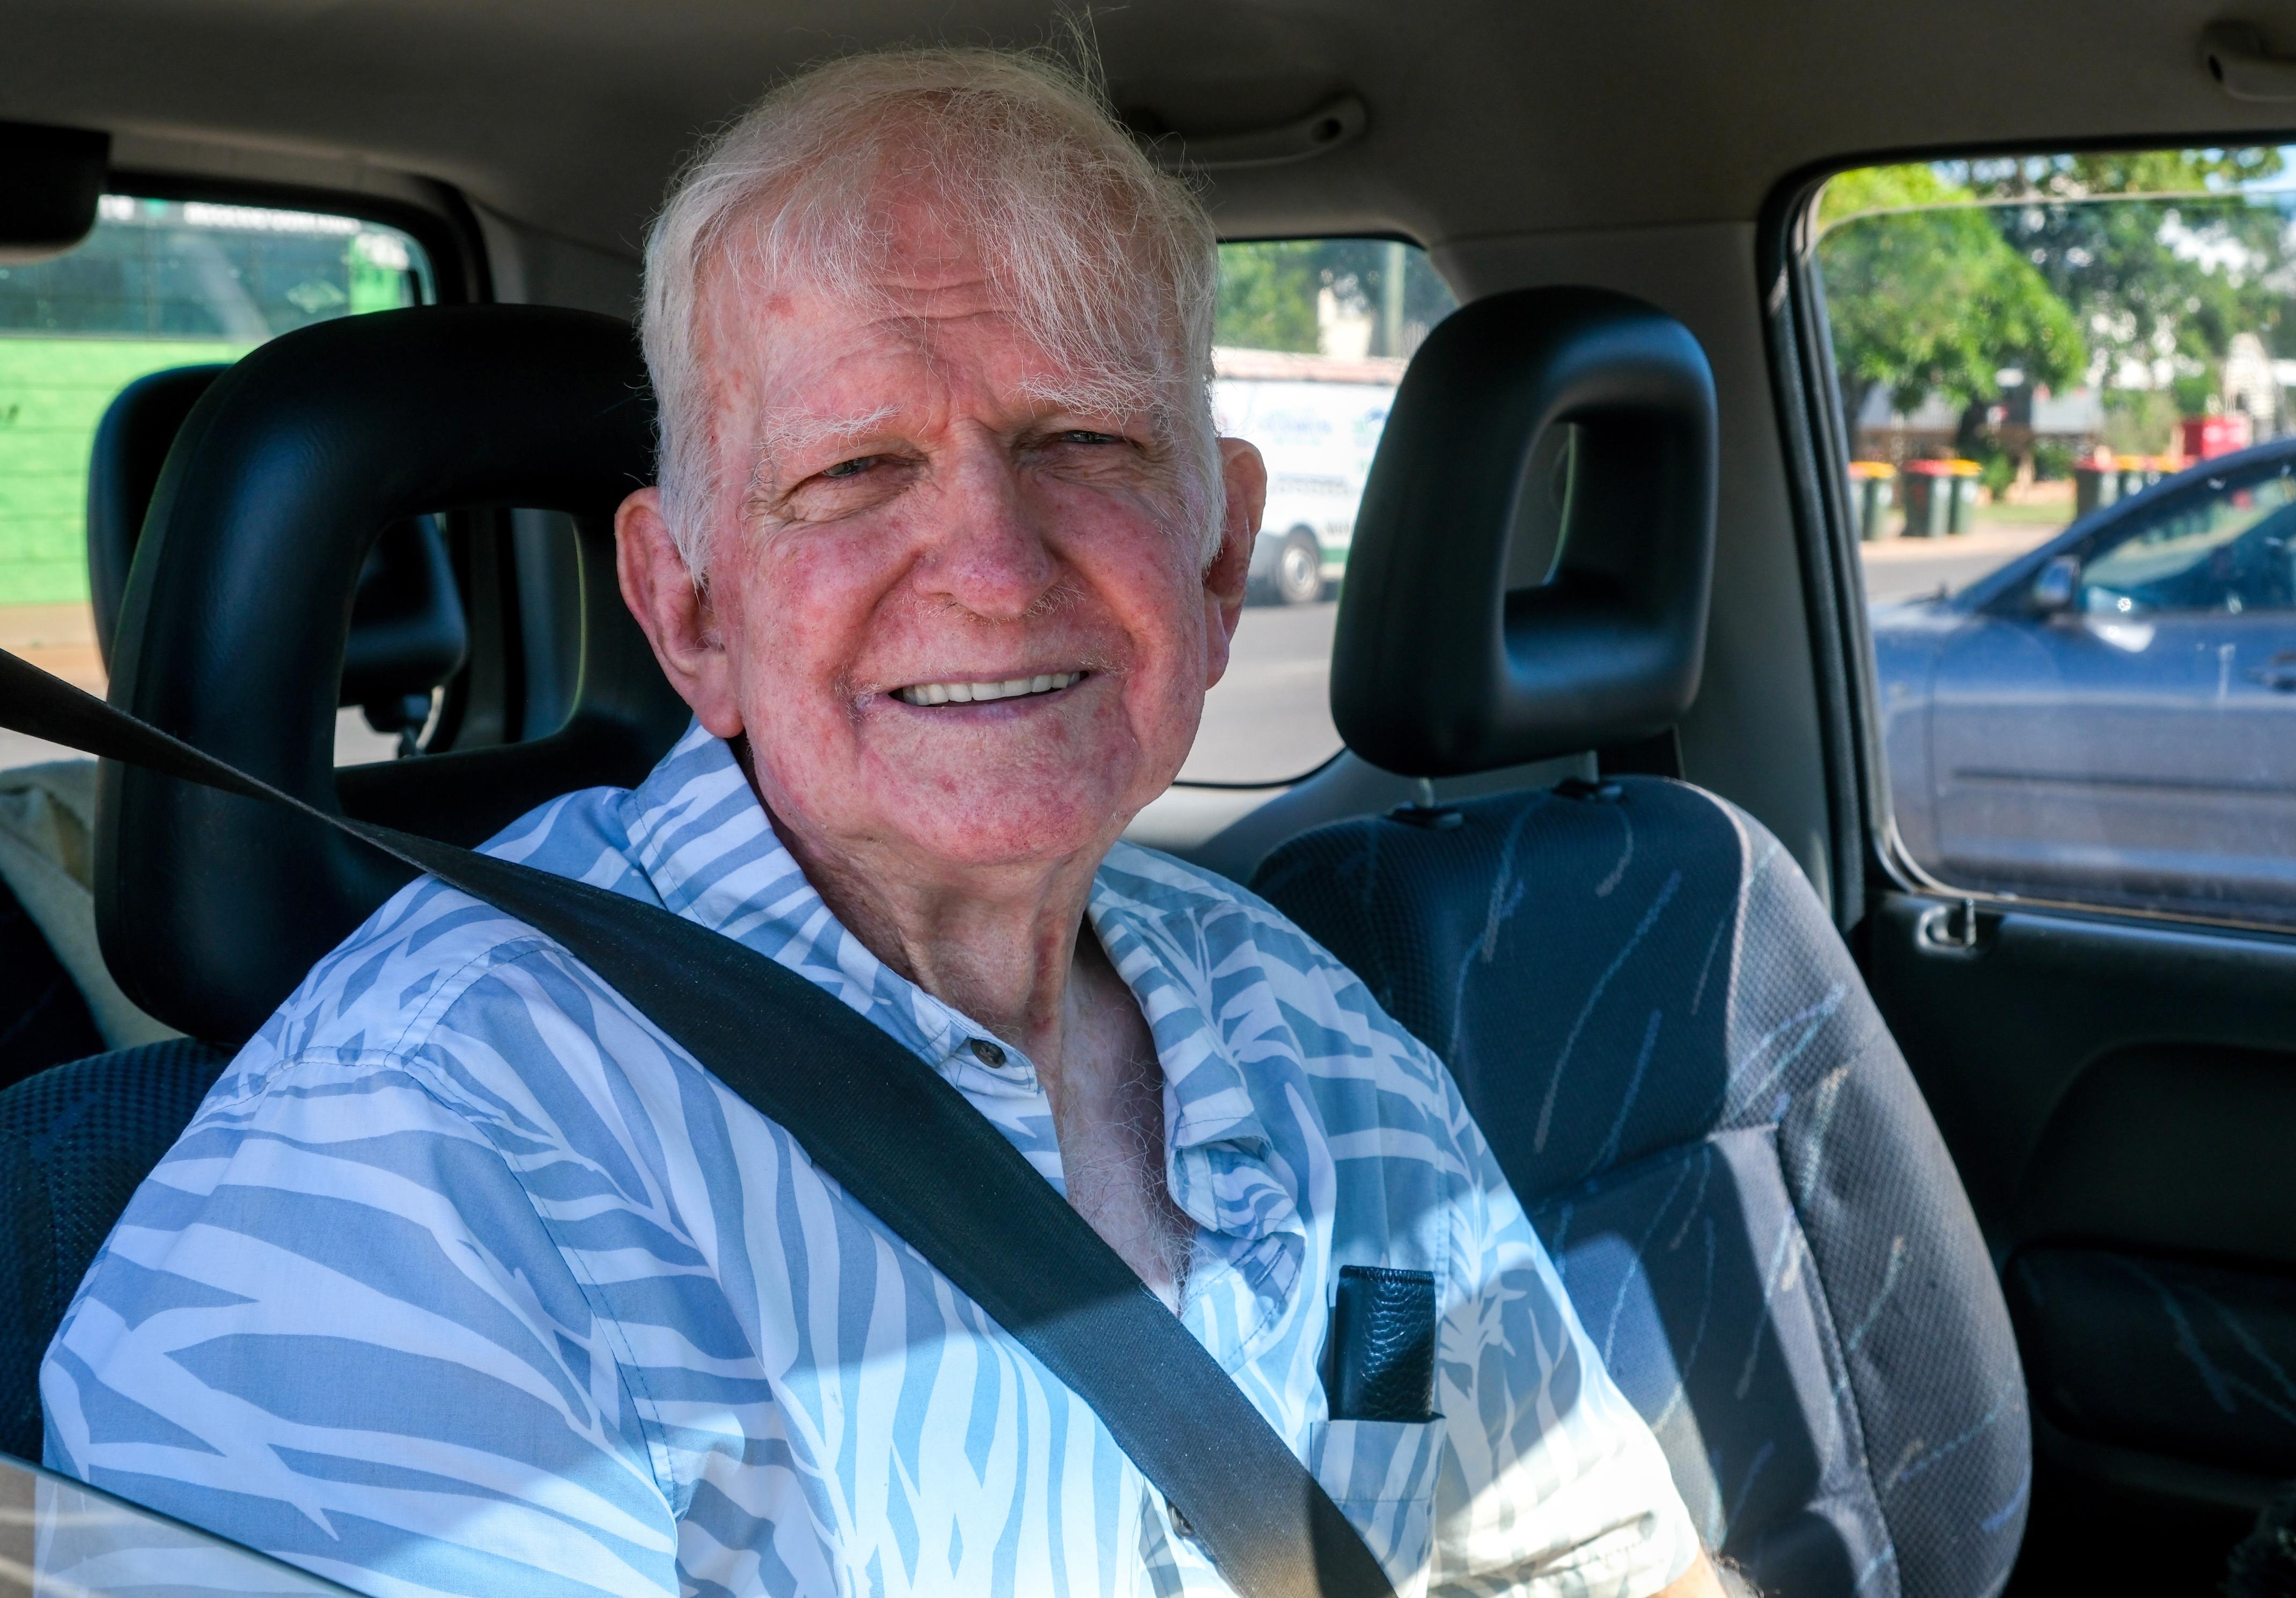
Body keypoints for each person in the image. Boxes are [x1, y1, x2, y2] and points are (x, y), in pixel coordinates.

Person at [39, 46, 1721, 1598]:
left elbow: (1597, 1552)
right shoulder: (412, 1173)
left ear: (1220, 567)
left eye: (1084, 439)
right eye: (853, 472)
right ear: (689, 610)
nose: (993, 568)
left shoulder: (1307, 1028)